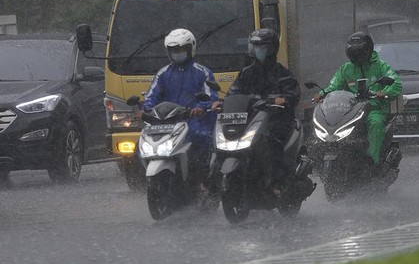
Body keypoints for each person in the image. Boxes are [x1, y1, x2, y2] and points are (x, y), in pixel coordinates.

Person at [220, 28, 301, 192]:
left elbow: (293, 93)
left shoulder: (282, 73)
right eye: (255, 47)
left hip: (276, 119)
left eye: (262, 47)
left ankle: (278, 182)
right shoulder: (246, 73)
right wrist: (222, 102)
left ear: (272, 49)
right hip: (250, 119)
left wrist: (283, 99)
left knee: (271, 142)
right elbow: (234, 92)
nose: (258, 51)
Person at [312, 32, 402, 175]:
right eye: (353, 53)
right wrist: (322, 94)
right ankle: (318, 160)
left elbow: (395, 83)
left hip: (375, 108)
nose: (357, 56)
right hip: (351, 110)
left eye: (359, 53)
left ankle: (373, 163)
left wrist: (384, 92)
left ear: (367, 51)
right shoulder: (346, 69)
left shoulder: (380, 66)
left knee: (375, 123)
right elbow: (333, 86)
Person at [142, 28, 216, 186]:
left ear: (190, 49)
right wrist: (146, 110)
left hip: (194, 121)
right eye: (173, 50)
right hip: (168, 123)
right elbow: (151, 96)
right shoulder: (163, 73)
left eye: (181, 49)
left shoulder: (202, 72)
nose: (177, 52)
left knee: (201, 138)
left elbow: (210, 96)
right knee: (141, 144)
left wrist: (200, 108)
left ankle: (203, 180)